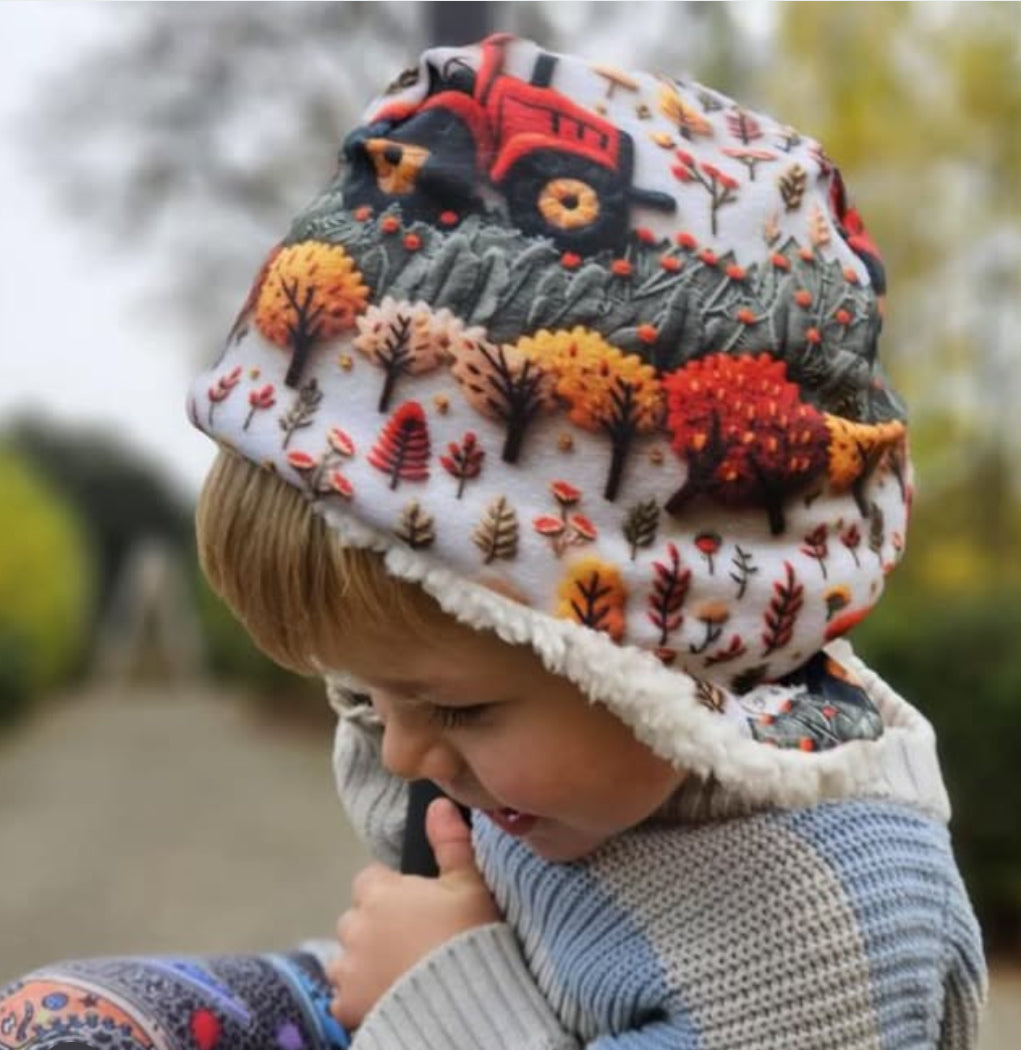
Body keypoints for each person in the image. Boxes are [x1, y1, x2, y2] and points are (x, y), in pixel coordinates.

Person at [1, 34, 985, 1050]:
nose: (402, 749)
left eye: (456, 706)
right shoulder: (583, 787)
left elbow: (475, 987)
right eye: (359, 695)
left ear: (685, 656)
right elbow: (496, 961)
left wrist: (440, 990)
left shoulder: (820, 937)